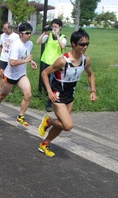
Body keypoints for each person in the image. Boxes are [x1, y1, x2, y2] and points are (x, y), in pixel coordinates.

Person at [38, 29, 97, 157]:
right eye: (82, 44)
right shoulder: (63, 60)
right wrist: (49, 91)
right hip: (58, 94)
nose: (85, 47)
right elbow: (44, 73)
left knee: (62, 125)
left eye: (87, 44)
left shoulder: (86, 60)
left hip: (70, 95)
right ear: (74, 44)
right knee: (68, 125)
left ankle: (45, 144)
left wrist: (93, 91)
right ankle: (48, 121)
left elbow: (91, 75)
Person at [0, 22, 37, 126]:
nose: (29, 35)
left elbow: (27, 54)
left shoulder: (30, 44)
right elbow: (12, 63)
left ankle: (20, 116)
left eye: (31, 33)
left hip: (21, 74)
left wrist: (31, 61)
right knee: (3, 95)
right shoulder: (16, 45)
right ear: (21, 33)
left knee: (28, 95)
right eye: (27, 33)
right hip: (10, 75)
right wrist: (26, 61)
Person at [36, 18, 67, 112]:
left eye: (56, 27)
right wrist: (44, 32)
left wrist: (57, 36)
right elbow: (38, 42)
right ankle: (47, 95)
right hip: (45, 61)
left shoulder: (62, 37)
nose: (54, 28)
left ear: (60, 28)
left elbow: (62, 46)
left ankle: (49, 104)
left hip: (55, 64)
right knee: (45, 82)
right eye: (53, 26)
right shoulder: (48, 36)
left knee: (52, 83)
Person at [0, 22, 19, 92]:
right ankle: (0, 89)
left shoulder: (16, 36)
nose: (4, 31)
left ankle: (9, 89)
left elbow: (18, 47)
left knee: (9, 75)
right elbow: (0, 46)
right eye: (4, 29)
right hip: (3, 57)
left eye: (6, 29)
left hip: (11, 58)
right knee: (0, 74)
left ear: (10, 28)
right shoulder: (2, 36)